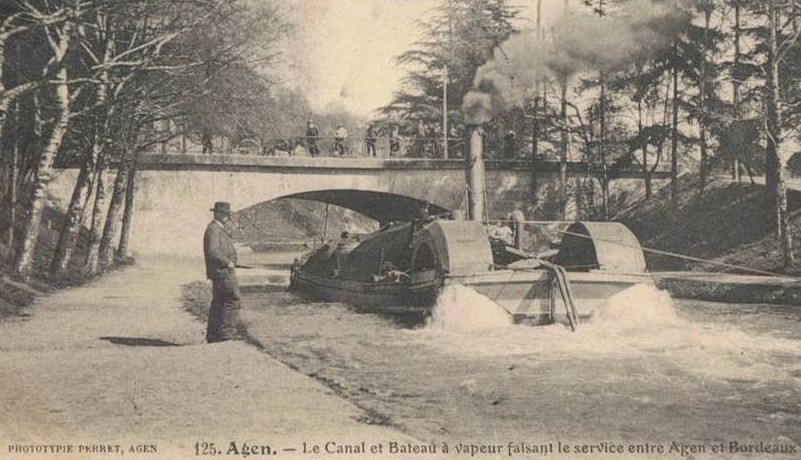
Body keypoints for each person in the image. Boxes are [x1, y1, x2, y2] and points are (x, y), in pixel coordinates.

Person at [203, 201, 244, 343]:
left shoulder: (216, 228)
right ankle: (226, 334)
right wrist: (227, 262)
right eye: (225, 214)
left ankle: (214, 335)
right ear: (217, 214)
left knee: (219, 301)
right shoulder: (214, 229)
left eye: (227, 214)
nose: (227, 217)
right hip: (223, 271)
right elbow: (213, 251)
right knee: (233, 299)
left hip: (220, 271)